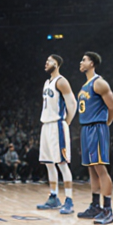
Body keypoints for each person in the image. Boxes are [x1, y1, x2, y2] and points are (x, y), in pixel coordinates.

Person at [76, 52, 113, 224]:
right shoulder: (85, 85)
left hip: (97, 127)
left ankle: (108, 209)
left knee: (100, 168)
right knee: (91, 168)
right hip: (86, 128)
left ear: (92, 63)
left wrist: (105, 124)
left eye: (84, 60)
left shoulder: (99, 83)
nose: (81, 62)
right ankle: (95, 205)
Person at [36, 55, 78, 215]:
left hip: (57, 125)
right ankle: (54, 196)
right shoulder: (47, 82)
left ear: (57, 63)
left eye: (49, 61)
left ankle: (69, 200)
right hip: (46, 125)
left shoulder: (61, 81)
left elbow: (72, 104)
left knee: (61, 163)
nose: (46, 63)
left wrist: (66, 122)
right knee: (49, 163)